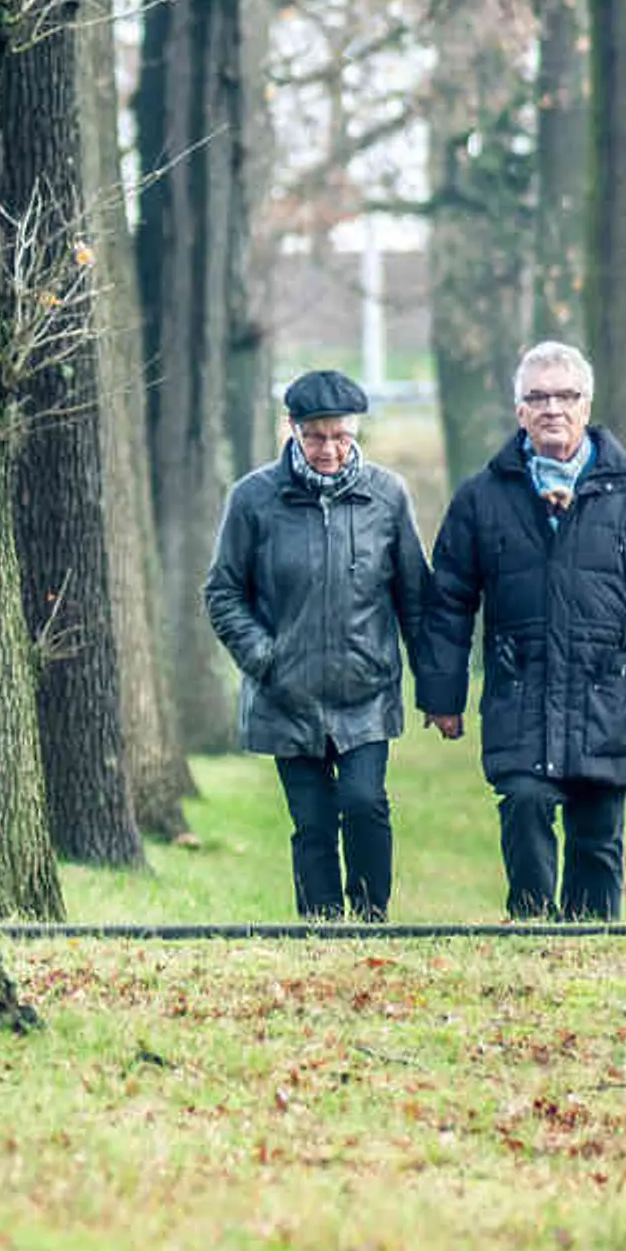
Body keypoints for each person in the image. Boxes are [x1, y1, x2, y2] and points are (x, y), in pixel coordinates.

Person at [416, 340, 626, 923]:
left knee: (597, 834)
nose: (553, 408)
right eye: (539, 397)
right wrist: (442, 697)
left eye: (566, 396)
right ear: (519, 411)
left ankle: (591, 948)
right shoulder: (481, 497)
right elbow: (448, 602)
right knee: (524, 804)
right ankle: (530, 930)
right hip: (520, 691)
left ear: (586, 405)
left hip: (607, 694)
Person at [203, 368, 432, 922]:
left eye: (341, 437)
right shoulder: (254, 499)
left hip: (366, 693)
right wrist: (264, 658)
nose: (329, 449)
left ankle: (371, 920)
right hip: (287, 694)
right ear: (292, 429)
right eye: (316, 437)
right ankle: (321, 927)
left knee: (364, 803)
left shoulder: (387, 497)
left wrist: (436, 689)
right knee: (312, 823)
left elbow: (415, 598)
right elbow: (223, 592)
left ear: (355, 432)